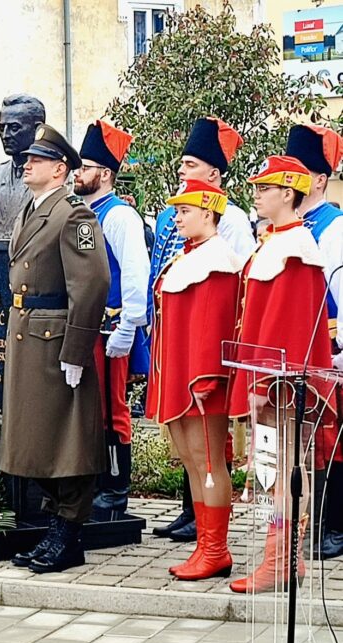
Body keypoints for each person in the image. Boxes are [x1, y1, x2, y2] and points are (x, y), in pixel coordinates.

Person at [1, 124, 110, 574]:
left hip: (54, 337)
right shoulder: (32, 210)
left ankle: (68, 531)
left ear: (60, 169)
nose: (27, 164)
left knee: (66, 437)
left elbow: (92, 283)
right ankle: (55, 527)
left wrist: (75, 350)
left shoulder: (72, 215)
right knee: (36, 436)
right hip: (28, 333)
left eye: (38, 159)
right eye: (28, 159)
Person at [227, 155, 335, 594]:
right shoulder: (279, 242)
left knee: (286, 463)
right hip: (270, 377)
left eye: (264, 188)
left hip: (279, 382)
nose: (256, 195)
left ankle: (282, 559)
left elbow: (282, 323)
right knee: (278, 464)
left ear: (288, 193)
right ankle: (283, 556)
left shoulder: (294, 248)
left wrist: (262, 382)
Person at [149, 116, 253, 544]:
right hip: (178, 353)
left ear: (214, 175)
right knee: (191, 456)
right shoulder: (181, 228)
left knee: (208, 455)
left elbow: (231, 302)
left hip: (203, 363)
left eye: (191, 164)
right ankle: (195, 519)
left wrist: (209, 370)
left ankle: (212, 538)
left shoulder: (231, 226)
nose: (181, 169)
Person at [75, 120, 150, 517]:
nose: (78, 173)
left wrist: (129, 325)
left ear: (104, 174)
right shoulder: (83, 212)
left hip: (111, 326)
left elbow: (136, 273)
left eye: (85, 167)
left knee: (112, 410)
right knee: (90, 408)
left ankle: (116, 490)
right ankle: (95, 483)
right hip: (87, 326)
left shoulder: (120, 216)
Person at [284, 125, 343, 560]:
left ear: (319, 180)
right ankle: (311, 523)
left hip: (329, 350)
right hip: (296, 350)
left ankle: (334, 525)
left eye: (298, 171)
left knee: (331, 442)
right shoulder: (289, 224)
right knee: (306, 443)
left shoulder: (333, 228)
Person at [0, 94, 47, 238]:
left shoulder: (52, 175)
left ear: (37, 129)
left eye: (14, 128)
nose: (5, 135)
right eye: (2, 128)